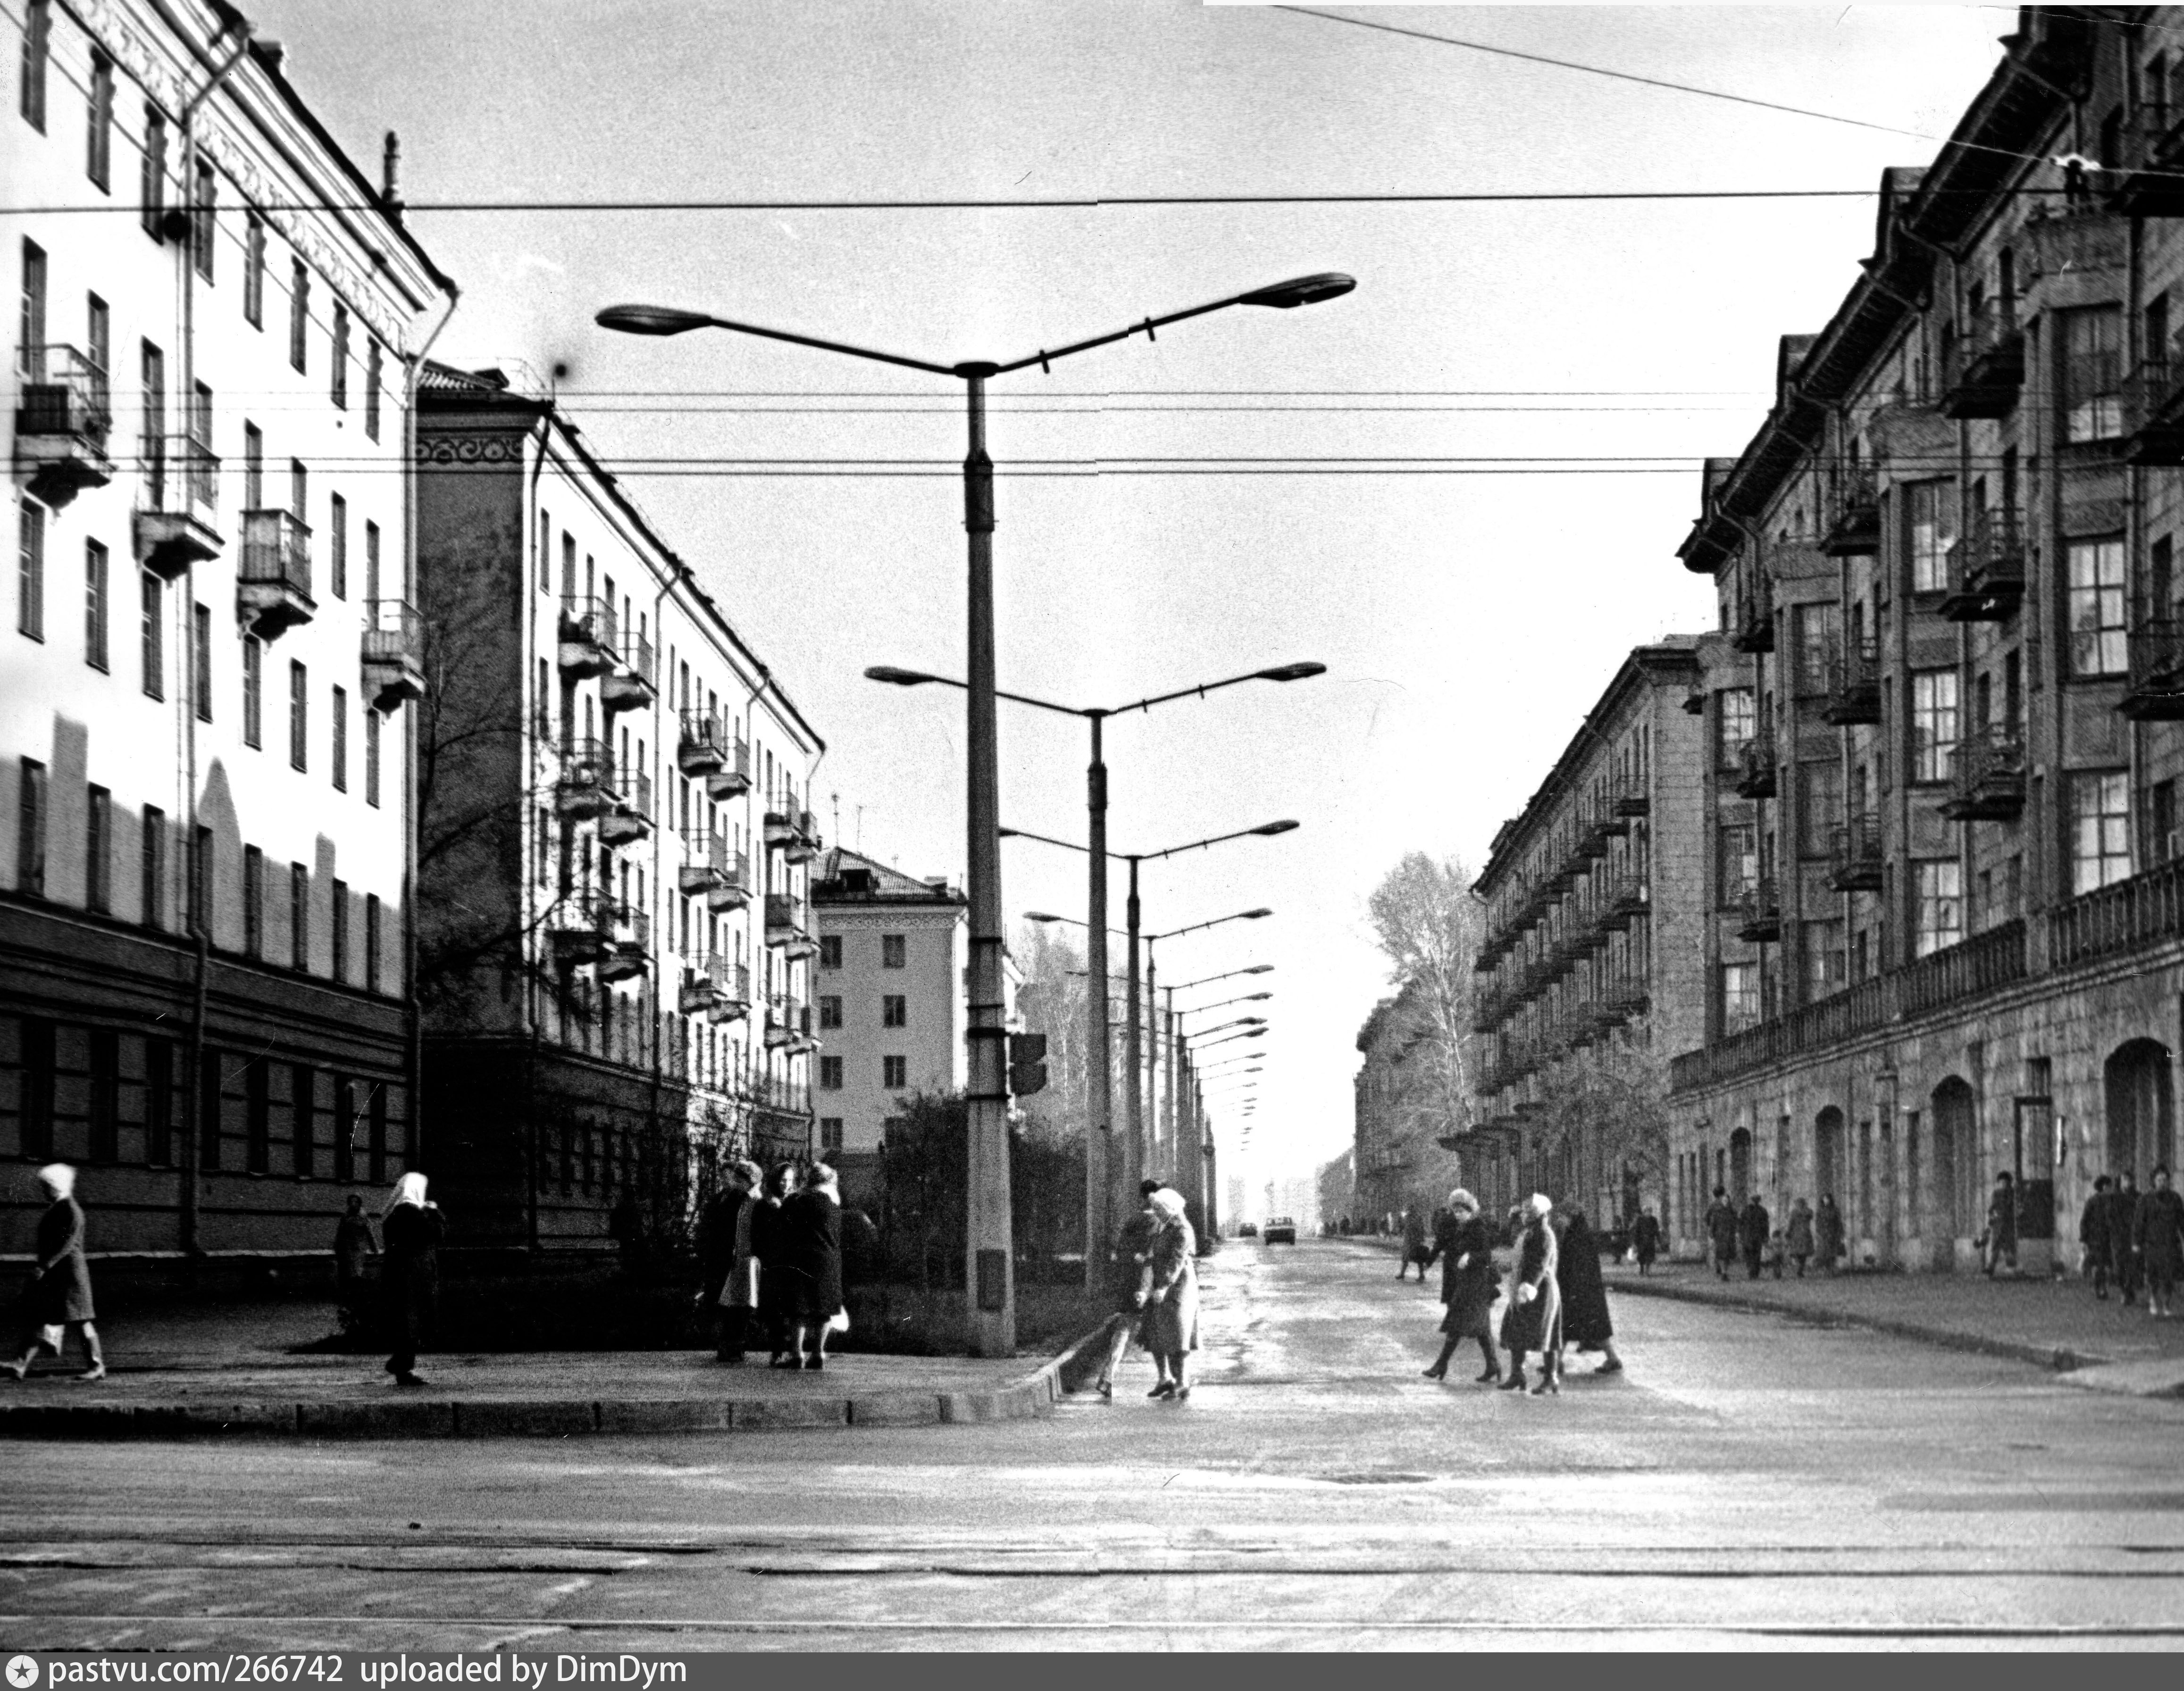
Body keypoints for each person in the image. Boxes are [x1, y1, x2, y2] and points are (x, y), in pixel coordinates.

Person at [4, 1164, 103, 1382]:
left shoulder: (70, 1210)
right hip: (60, 1274)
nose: (43, 1190)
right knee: (42, 1317)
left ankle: (97, 1366)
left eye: (46, 1186)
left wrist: (44, 1266)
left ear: (55, 1187)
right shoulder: (61, 1207)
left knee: (81, 1320)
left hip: (69, 1275)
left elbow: (66, 1245)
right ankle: (20, 1365)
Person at [1422, 1188, 1500, 1383]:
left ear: (1470, 1210)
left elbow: (1487, 1256)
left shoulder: (1477, 1228)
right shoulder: (1463, 1227)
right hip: (1468, 1284)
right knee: (1480, 1329)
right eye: (1455, 1212)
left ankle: (1442, 1364)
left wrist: (1470, 1256)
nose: (1457, 1215)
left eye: (1461, 1212)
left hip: (1477, 1286)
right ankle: (1492, 1366)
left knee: (1457, 1324)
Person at [1096, 1181, 1165, 1399]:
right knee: (1158, 1330)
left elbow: (1120, 1251)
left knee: (1124, 1329)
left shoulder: (1132, 1220)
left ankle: (1107, 1377)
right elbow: (1150, 1255)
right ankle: (1170, 1380)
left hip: (1127, 1280)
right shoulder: (1155, 1221)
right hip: (1145, 1281)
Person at [778, 1160, 845, 1370]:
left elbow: (782, 1230)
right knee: (824, 1309)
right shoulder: (833, 1205)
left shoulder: (795, 1201)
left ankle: (797, 1355)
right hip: (828, 1260)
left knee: (799, 1308)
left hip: (800, 1259)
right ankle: (818, 1354)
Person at [379, 1172, 443, 1388]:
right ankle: (402, 1367)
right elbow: (436, 1234)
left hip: (400, 1274)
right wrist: (433, 1212)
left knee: (405, 1321)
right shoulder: (411, 1213)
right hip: (413, 1276)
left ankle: (402, 1367)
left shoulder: (395, 1213)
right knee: (410, 1321)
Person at [1499, 1193, 1563, 1396]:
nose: (1524, 1215)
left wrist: (1528, 1288)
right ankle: (1518, 1375)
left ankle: (1550, 1378)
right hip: (1525, 1288)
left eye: (1529, 1212)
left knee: (1546, 1335)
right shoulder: (1529, 1232)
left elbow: (1540, 1264)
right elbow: (1512, 1246)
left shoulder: (1544, 1234)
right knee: (1516, 1331)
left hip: (1540, 1290)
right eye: (1524, 1211)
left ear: (1539, 1214)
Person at [1140, 1188, 1200, 1400]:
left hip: (1179, 1286)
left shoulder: (1182, 1229)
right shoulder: (1164, 1226)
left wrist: (1164, 1286)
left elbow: (1177, 1260)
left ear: (1170, 1208)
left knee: (1179, 1332)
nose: (1155, 1212)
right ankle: (1171, 1380)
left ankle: (1183, 1382)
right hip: (1162, 1283)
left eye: (1159, 1208)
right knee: (1162, 1333)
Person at [1556, 1205, 1622, 1375]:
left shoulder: (1576, 1238)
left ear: (1572, 1217)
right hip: (1585, 1293)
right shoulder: (1579, 1235)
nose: (1560, 1220)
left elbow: (1574, 1267)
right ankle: (1612, 1358)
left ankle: (1556, 1363)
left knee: (1572, 1325)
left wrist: (1570, 1288)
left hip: (1578, 1293)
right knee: (1586, 1327)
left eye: (1563, 1216)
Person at [708, 1160, 761, 1363]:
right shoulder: (744, 1200)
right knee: (733, 1303)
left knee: (743, 1304)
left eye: (739, 1179)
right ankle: (731, 1346)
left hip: (749, 1260)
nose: (735, 1182)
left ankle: (735, 1346)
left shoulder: (756, 1201)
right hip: (739, 1258)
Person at [753, 1163, 799, 1366]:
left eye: (789, 1180)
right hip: (773, 1261)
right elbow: (759, 1234)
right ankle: (777, 1348)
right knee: (773, 1307)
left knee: (790, 1306)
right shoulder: (765, 1204)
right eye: (783, 1180)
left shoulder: (795, 1201)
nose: (786, 1185)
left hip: (790, 1262)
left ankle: (789, 1348)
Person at [2134, 1165, 2184, 1320]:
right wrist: (2137, 1242)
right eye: (2159, 1180)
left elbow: (2182, 1221)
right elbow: (2139, 1223)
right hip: (2152, 1244)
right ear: (2153, 1182)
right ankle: (2154, 1300)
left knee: (2170, 1276)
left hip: (2170, 1243)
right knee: (2153, 1275)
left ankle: (2167, 1304)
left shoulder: (2175, 1199)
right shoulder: (2145, 1200)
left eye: (2165, 1180)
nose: (2162, 1183)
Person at [334, 1195, 379, 1345]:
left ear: (359, 1204)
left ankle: (354, 1296)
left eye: (355, 1202)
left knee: (356, 1274)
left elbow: (370, 1232)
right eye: (350, 1202)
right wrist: (337, 1246)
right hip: (346, 1249)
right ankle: (348, 1296)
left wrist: (374, 1248)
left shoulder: (363, 1216)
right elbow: (340, 1232)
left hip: (358, 1249)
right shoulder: (346, 1216)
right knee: (347, 1273)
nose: (353, 1204)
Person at [2111, 1171, 2144, 1308]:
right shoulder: (2115, 1197)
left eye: (2130, 1180)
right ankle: (2124, 1289)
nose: (2127, 1183)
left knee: (2133, 1265)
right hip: (2120, 1236)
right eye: (2125, 1180)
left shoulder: (2138, 1197)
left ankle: (2129, 1290)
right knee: (2120, 1266)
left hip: (2133, 1236)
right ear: (2121, 1181)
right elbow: (2110, 1216)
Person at [2081, 1176, 2116, 1301]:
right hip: (2097, 1239)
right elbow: (2085, 1221)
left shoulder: (2112, 1201)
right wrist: (2084, 1239)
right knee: (2100, 1264)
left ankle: (2103, 1287)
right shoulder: (2093, 1202)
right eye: (2111, 1186)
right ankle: (2100, 1288)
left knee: (2106, 1265)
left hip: (2107, 1238)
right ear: (2105, 1187)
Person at [1983, 1171, 2018, 1277]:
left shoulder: (2013, 1193)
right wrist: (1994, 1216)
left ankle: (2012, 1269)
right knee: (1996, 1248)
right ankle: (1990, 1268)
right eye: (2002, 1182)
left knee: (2009, 1248)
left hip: (2008, 1225)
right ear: (1999, 1183)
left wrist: (2016, 1191)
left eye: (2006, 1183)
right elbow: (1992, 1209)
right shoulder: (1996, 1194)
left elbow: (2015, 1206)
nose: (2004, 1185)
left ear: (2009, 1183)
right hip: (1998, 1225)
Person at [1704, 1187, 1739, 1282]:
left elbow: (1736, 1221)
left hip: (1727, 1235)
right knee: (1721, 1253)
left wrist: (1736, 1232)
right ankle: (1723, 1272)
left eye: (1727, 1201)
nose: (1726, 1202)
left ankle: (1723, 1270)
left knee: (1726, 1254)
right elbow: (1711, 1221)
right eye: (1724, 1200)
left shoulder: (1730, 1210)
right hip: (1720, 1235)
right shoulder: (1718, 1211)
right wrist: (1712, 1231)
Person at [1739, 1192, 1771, 1281]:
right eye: (1754, 1200)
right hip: (1750, 1235)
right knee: (1751, 1254)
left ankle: (1753, 1272)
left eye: (1756, 1200)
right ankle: (1752, 1271)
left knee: (1755, 1254)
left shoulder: (1761, 1211)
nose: (1755, 1202)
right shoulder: (1746, 1210)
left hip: (1754, 1235)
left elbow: (1766, 1224)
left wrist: (1766, 1236)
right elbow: (1741, 1223)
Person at [1815, 1194, 1846, 1275]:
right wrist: (1819, 1231)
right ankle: (1826, 1269)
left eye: (1828, 1199)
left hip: (1833, 1233)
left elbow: (1839, 1222)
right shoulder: (1820, 1210)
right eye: (1825, 1199)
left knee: (1833, 1252)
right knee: (1824, 1253)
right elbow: (1818, 1222)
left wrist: (1841, 1232)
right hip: (1824, 1234)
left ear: (1830, 1200)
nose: (1826, 1201)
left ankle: (1832, 1269)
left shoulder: (1835, 1210)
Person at [1785, 1197, 1816, 1279]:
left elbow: (1810, 1216)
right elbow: (1790, 1223)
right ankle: (1799, 1269)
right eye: (1798, 1203)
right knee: (1797, 1253)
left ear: (1803, 1203)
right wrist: (1788, 1232)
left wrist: (1788, 1232)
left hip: (1804, 1235)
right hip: (1797, 1235)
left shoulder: (1807, 1211)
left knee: (1803, 1253)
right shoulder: (1794, 1212)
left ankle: (1800, 1270)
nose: (1799, 1205)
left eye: (1801, 1203)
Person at [1399, 1208, 1431, 1282]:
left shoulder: (1413, 1218)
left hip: (1413, 1242)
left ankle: (1421, 1275)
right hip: (1411, 1241)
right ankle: (1403, 1274)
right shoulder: (1412, 1218)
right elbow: (1420, 1229)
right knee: (1409, 1258)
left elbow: (1419, 1229)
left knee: (1417, 1258)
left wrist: (1420, 1239)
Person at [1631, 1207, 1661, 1276]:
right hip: (1642, 1241)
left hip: (1650, 1240)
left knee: (1650, 1256)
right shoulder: (1640, 1220)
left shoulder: (1654, 1220)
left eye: (1650, 1212)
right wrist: (1635, 1242)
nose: (1649, 1213)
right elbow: (1637, 1231)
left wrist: (1659, 1241)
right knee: (1641, 1256)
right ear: (1644, 1212)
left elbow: (1657, 1231)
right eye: (1647, 1212)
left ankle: (1647, 1271)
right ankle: (1641, 1270)